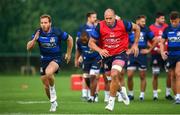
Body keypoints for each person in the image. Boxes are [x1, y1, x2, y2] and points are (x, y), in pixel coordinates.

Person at [89, 8, 140, 111]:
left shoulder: (124, 24)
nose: (108, 21)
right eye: (106, 18)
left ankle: (111, 102)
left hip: (120, 53)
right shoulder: (100, 26)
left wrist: (135, 45)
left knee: (115, 74)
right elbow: (91, 43)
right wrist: (100, 50)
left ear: (115, 16)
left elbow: (137, 28)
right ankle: (121, 91)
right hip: (107, 56)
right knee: (110, 79)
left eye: (110, 18)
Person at [26, 14, 73, 112]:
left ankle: (53, 89)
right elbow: (28, 48)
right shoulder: (38, 32)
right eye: (42, 23)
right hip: (44, 60)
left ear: (50, 23)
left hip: (56, 59)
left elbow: (70, 39)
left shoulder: (57, 31)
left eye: (45, 22)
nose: (43, 25)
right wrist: (35, 39)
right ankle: (53, 103)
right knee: (45, 86)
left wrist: (68, 54)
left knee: (49, 72)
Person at [127, 15, 157, 101]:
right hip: (132, 55)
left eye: (144, 21)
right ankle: (131, 94)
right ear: (137, 21)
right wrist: (128, 49)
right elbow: (125, 40)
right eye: (142, 21)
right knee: (129, 75)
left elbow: (155, 40)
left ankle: (142, 95)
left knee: (142, 75)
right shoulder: (130, 30)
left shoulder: (146, 30)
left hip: (142, 55)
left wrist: (149, 50)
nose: (144, 23)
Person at [75, 11, 100, 102]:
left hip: (96, 56)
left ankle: (93, 95)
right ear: (88, 18)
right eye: (93, 17)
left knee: (94, 76)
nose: (95, 19)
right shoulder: (82, 28)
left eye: (96, 17)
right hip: (85, 56)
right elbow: (78, 42)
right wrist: (79, 56)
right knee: (86, 76)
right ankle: (87, 94)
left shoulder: (97, 27)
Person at [149, 12, 173, 100]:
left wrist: (165, 50)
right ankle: (155, 95)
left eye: (164, 18)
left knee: (169, 74)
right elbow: (148, 41)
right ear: (157, 19)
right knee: (155, 73)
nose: (164, 20)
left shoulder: (167, 27)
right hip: (155, 54)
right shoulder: (151, 28)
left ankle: (168, 94)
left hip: (166, 55)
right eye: (162, 18)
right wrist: (155, 49)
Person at [160, 11, 180, 104]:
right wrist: (162, 52)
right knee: (172, 76)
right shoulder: (167, 29)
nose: (173, 23)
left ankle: (179, 97)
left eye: (175, 21)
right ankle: (177, 97)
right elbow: (162, 42)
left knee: (178, 74)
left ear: (179, 20)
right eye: (172, 21)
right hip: (171, 56)